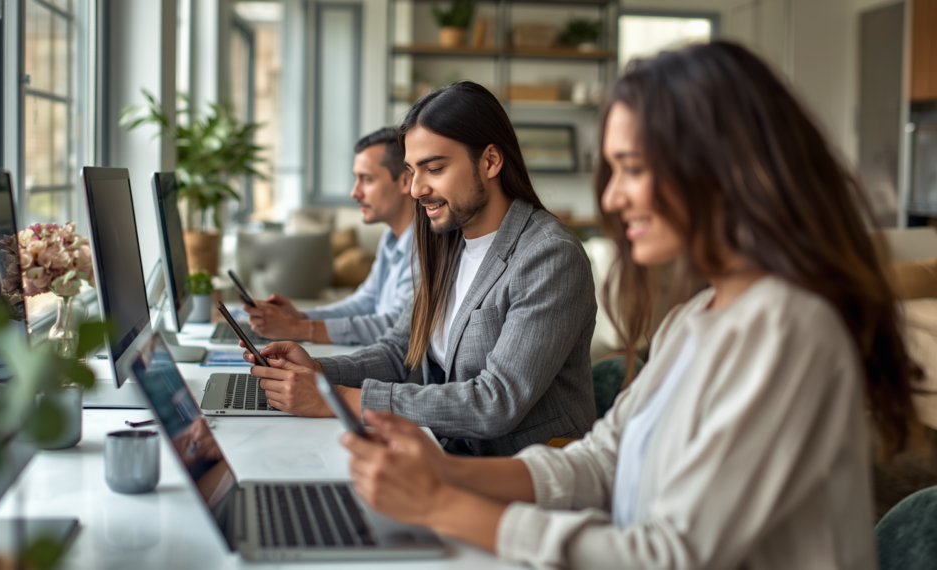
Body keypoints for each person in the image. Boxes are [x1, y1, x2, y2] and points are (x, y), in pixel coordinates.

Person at [337, 41, 921, 569]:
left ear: (722, 168)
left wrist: (445, 505)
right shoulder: (694, 319)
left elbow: (670, 555)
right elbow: (599, 461)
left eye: (633, 169)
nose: (612, 197)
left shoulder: (789, 333)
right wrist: (445, 471)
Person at [243, 81, 598, 457]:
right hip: (446, 452)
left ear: (491, 161)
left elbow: (495, 404)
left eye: (435, 169)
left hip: (524, 474)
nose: (415, 189)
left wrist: (339, 398)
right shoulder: (446, 241)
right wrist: (317, 371)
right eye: (413, 171)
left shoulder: (549, 257)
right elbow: (400, 352)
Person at [244, 128, 415, 345]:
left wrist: (299, 328)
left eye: (367, 179)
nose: (355, 193)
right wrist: (301, 317)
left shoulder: (423, 249)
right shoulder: (391, 239)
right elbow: (365, 302)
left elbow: (395, 327)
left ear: (405, 181)